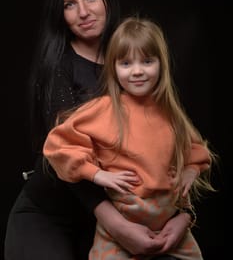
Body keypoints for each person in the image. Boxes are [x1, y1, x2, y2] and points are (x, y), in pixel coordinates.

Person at [4, 0, 192, 260]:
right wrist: (117, 225)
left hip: (112, 221)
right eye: (69, 4)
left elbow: (171, 148)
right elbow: (63, 156)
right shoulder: (58, 68)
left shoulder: (136, 59)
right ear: (59, 13)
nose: (83, 12)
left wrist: (183, 216)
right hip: (53, 215)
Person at [43, 16, 216, 260]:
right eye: (125, 63)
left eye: (147, 61)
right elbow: (58, 145)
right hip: (121, 229)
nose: (137, 71)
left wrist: (190, 171)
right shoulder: (104, 109)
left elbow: (197, 150)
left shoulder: (170, 112)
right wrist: (97, 174)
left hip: (170, 226)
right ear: (113, 67)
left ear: (161, 64)